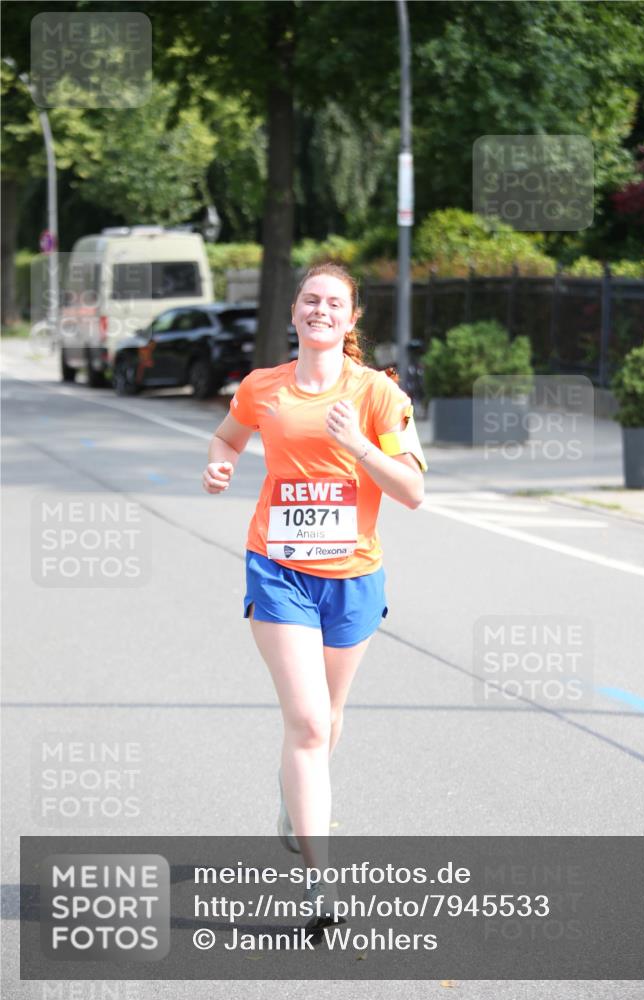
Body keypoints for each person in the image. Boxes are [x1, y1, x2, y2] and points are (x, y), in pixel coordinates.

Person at [202, 262, 426, 928]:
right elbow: (228, 436)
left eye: (334, 303)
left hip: (354, 575)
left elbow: (412, 491)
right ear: (294, 313)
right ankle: (320, 883)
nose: (320, 310)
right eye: (310, 300)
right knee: (304, 722)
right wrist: (220, 462)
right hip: (278, 570)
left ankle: (292, 802)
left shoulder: (379, 394)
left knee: (326, 721)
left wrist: (357, 444)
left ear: (351, 319)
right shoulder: (261, 387)